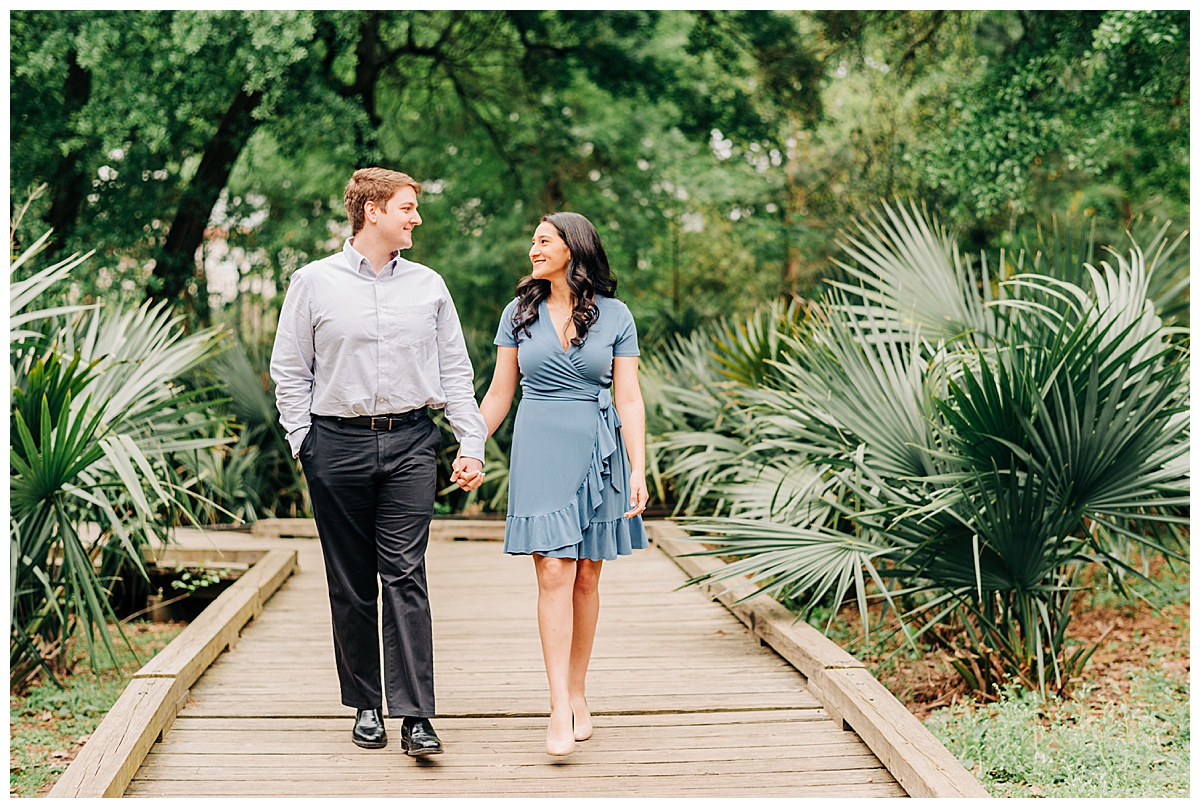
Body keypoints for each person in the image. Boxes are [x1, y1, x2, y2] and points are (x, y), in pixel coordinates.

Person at [270, 167, 488, 756]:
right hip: (334, 444)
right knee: (350, 582)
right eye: (408, 208)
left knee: (405, 573)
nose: (416, 218)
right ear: (372, 211)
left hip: (413, 441)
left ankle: (417, 715)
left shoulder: (429, 286)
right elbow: (290, 370)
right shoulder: (312, 283)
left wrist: (471, 442)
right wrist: (303, 442)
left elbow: (455, 374)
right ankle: (366, 705)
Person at [477, 211, 649, 757]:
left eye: (543, 240)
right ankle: (556, 703)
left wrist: (639, 466)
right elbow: (501, 393)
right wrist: (470, 444)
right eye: (532, 240)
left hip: (600, 452)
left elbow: (628, 398)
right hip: (540, 446)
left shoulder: (617, 315)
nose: (533, 248)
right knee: (554, 569)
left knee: (588, 577)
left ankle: (578, 690)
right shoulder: (517, 313)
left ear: (573, 248)